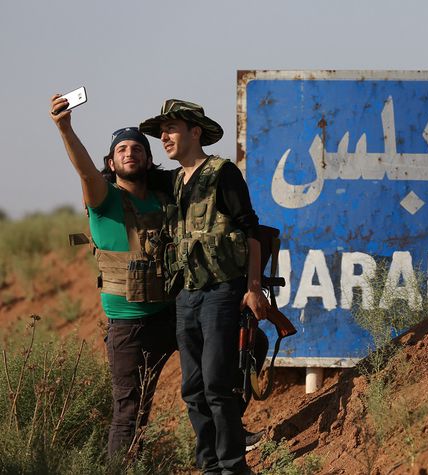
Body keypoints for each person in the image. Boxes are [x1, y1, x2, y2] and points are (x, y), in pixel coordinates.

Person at [140, 99, 270, 475]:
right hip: (186, 297)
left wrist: (253, 288)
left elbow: (251, 230)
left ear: (195, 132)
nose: (163, 137)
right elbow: (118, 176)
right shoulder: (172, 182)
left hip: (222, 292)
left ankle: (233, 467)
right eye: (160, 132)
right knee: (193, 389)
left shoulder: (222, 172)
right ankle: (209, 466)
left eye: (171, 129)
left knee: (217, 383)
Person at [49, 94, 177, 460]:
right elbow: (86, 171)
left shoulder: (164, 199)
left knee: (214, 371)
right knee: (130, 413)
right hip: (128, 327)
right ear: (111, 161)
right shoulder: (104, 198)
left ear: (149, 160)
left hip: (172, 313)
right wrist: (65, 128)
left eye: (137, 148)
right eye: (121, 149)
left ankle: (223, 444)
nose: (129, 153)